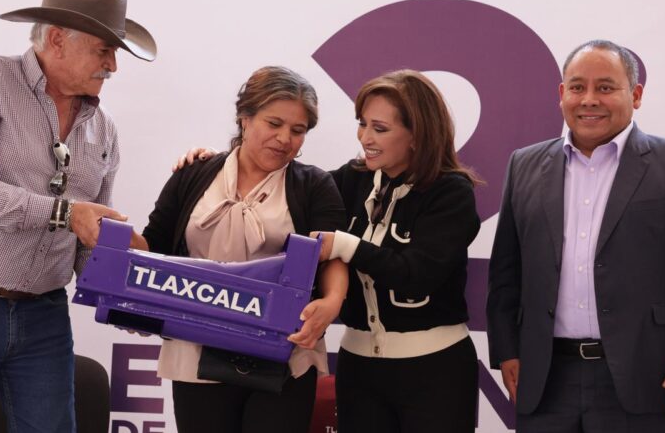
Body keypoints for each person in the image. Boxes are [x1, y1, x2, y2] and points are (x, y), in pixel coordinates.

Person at [175, 69, 482, 432]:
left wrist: (346, 245)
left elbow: (417, 275)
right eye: (362, 124)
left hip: (436, 368)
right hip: (359, 369)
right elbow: (281, 186)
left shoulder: (451, 192)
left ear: (418, 135)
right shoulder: (348, 180)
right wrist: (218, 165)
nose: (365, 138)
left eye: (380, 129)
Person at [0, 0, 156, 431]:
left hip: (44, 315)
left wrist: (126, 293)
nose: (113, 66)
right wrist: (67, 213)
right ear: (57, 39)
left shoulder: (104, 130)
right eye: (104, 50)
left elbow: (87, 239)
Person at [486, 40, 665, 432]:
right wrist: (506, 350)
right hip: (546, 378)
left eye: (605, 87)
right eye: (577, 87)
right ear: (562, 94)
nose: (589, 99)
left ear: (635, 95)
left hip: (648, 376)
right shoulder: (524, 164)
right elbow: (506, 272)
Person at [130, 66, 348, 433]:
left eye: (298, 131)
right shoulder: (194, 173)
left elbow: (332, 255)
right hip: (197, 350)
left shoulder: (314, 185)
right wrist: (110, 234)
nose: (284, 139)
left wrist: (332, 302)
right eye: (274, 123)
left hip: (285, 355)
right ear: (244, 119)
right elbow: (154, 246)